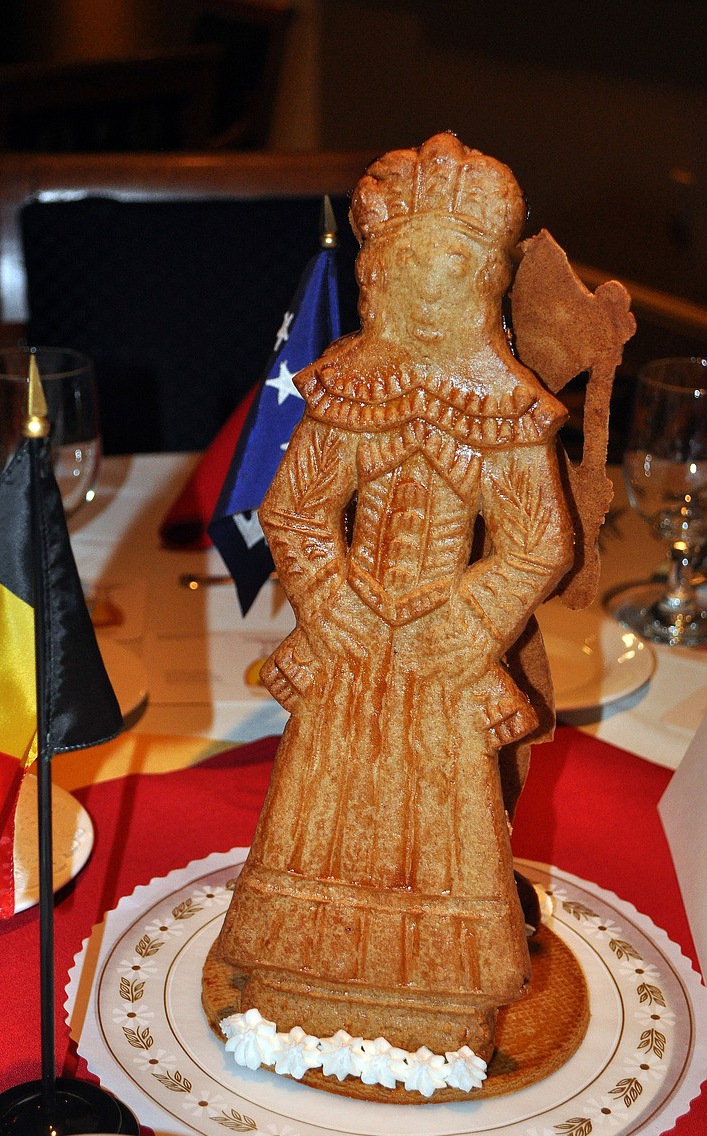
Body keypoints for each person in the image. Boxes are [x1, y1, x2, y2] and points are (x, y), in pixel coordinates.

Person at [213, 134, 575, 1062]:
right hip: (350, 640)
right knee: (323, 807)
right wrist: (327, 595)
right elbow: (293, 509)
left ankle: (445, 1006)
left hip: (445, 655)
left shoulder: (507, 410)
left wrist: (470, 620)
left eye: (449, 273)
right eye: (408, 271)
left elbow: (540, 540)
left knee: (442, 826)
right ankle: (294, 975)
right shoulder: (348, 390)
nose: (427, 295)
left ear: (484, 284)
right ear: (378, 278)